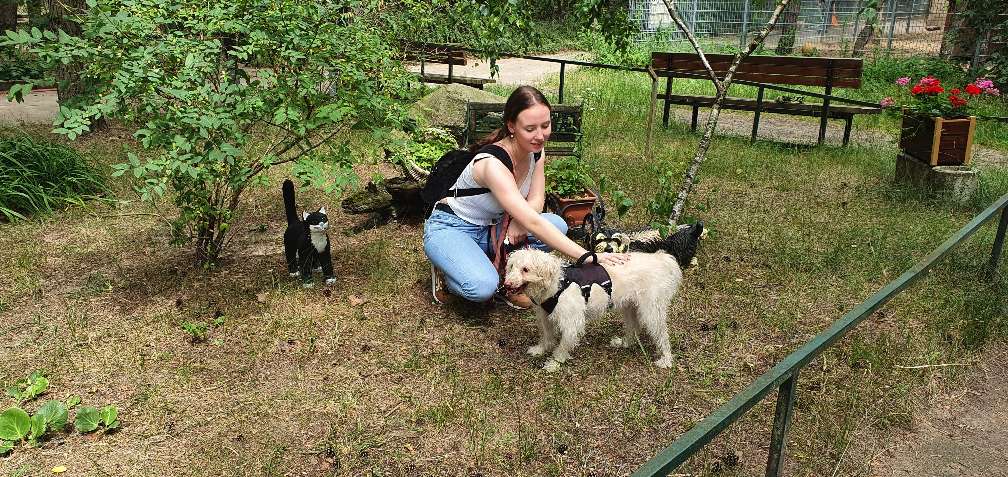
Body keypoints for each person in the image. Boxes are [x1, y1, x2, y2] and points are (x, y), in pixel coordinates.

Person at [423, 85, 629, 307]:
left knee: (557, 224)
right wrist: (588, 256)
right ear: (511, 126)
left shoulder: (536, 152)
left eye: (545, 125)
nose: (540, 136)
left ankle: (498, 268)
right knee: (482, 287)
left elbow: (537, 201)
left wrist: (519, 222)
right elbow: (533, 220)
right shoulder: (493, 164)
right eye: (530, 129)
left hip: (493, 228)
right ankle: (449, 275)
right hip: (452, 227)